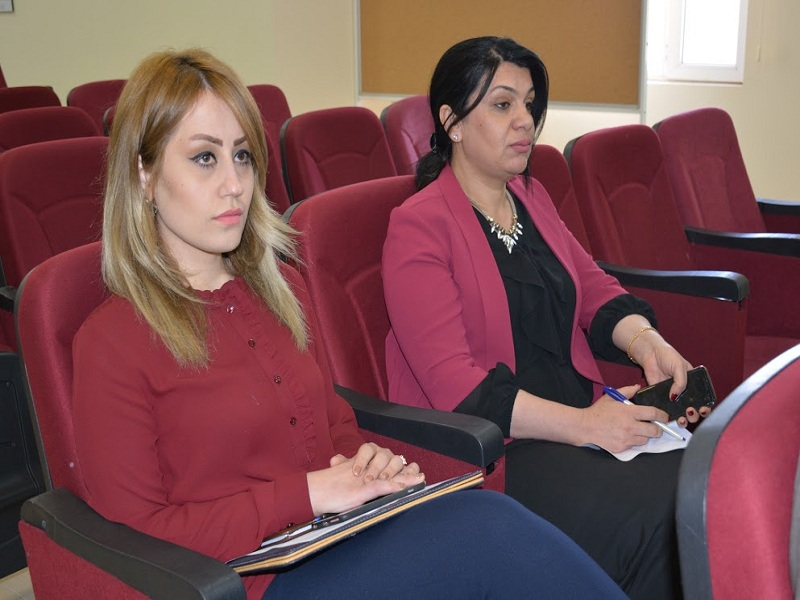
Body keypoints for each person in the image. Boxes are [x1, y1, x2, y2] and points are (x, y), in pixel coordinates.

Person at [70, 48, 628, 600]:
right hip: (249, 582)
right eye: (203, 158)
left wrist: (361, 462)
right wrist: (310, 493)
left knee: (486, 518)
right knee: (489, 536)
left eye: (242, 156)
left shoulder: (281, 291)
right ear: (144, 175)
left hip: (337, 538)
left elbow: (332, 420)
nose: (235, 184)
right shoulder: (111, 341)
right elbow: (137, 537)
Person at [382, 37, 711, 600]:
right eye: (502, 104)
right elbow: (458, 389)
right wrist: (589, 426)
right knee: (660, 516)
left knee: (701, 481)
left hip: (579, 420)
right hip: (498, 452)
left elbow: (592, 289)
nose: (525, 121)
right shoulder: (418, 227)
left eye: (530, 104)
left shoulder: (529, 197)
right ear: (452, 122)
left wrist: (646, 341)